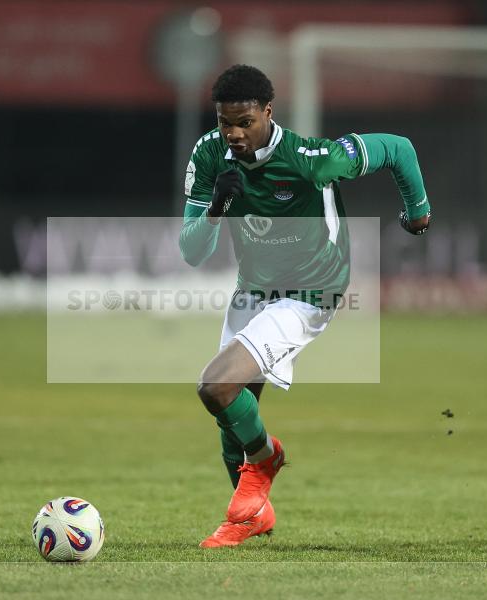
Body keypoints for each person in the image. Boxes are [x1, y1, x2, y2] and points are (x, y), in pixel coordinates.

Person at [179, 64, 431, 547]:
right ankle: (251, 515)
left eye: (245, 122)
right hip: (254, 287)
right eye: (224, 122)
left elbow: (399, 148)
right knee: (231, 413)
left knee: (216, 386)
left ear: (268, 113)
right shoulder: (209, 155)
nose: (233, 133)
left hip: (311, 292)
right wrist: (214, 210)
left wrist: (417, 212)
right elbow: (192, 252)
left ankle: (267, 459)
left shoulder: (313, 159)